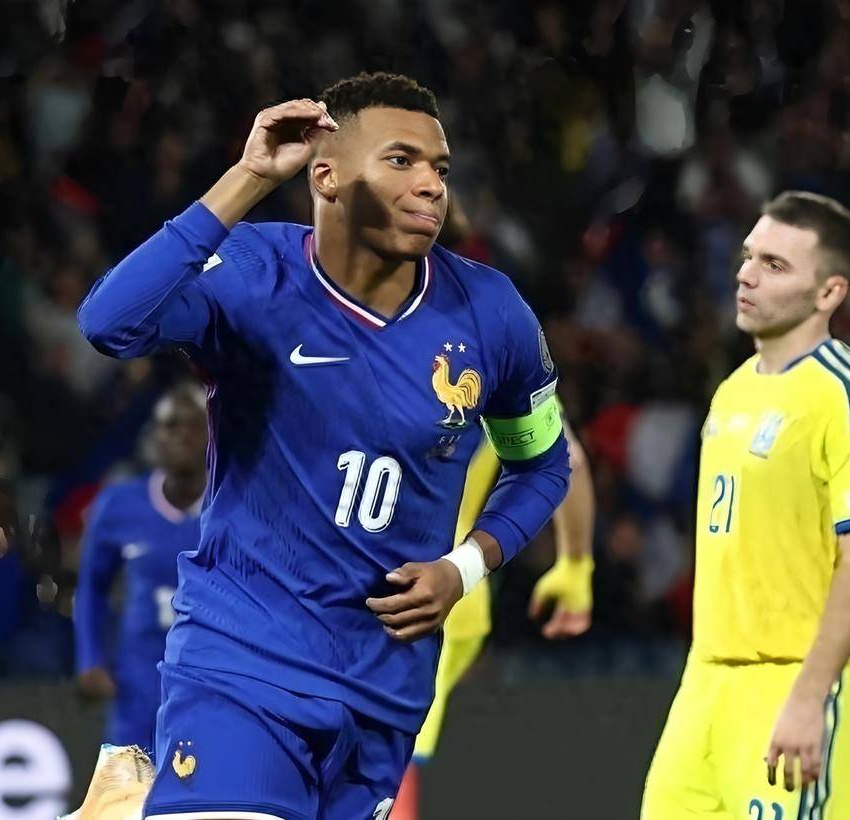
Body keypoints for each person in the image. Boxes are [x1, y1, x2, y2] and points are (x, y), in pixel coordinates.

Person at [77, 72, 570, 820]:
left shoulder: (491, 313)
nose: (432, 185)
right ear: (326, 175)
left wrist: (464, 567)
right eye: (401, 160)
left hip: (383, 692)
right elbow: (109, 323)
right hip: (243, 666)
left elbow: (542, 464)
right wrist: (247, 178)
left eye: (440, 168)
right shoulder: (253, 274)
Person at [640, 191, 850, 819]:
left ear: (830, 292)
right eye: (748, 256)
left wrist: (810, 696)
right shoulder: (731, 392)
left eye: (775, 265)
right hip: (705, 685)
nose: (746, 275)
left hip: (792, 683)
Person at [391, 419, 595, 820]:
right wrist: (576, 564)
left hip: (392, 580)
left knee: (379, 750)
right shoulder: (506, 378)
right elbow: (569, 459)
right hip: (455, 585)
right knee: (390, 747)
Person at [73, 383, 208, 749]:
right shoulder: (119, 505)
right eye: (171, 425)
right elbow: (91, 585)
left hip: (214, 677)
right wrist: (90, 659)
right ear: (155, 436)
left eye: (193, 425)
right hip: (138, 678)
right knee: (127, 783)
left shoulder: (235, 506)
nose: (181, 436)